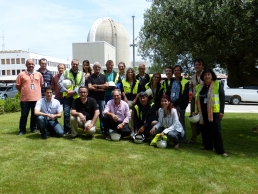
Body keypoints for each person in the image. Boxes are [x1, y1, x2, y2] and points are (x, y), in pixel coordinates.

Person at [194, 69, 228, 156]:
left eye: (209, 74)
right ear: (203, 77)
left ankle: (220, 150)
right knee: (205, 130)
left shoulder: (217, 84)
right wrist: (196, 111)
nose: (207, 76)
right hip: (203, 113)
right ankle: (208, 147)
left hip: (214, 112)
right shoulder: (199, 87)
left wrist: (221, 111)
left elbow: (222, 98)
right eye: (205, 75)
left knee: (216, 131)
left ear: (212, 75)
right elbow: (196, 100)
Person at [16, 59, 44, 135]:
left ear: (34, 65)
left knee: (34, 115)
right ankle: (22, 130)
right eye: (29, 64)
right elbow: (18, 86)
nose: (31, 65)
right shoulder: (21, 74)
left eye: (32, 64)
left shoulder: (39, 74)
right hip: (25, 99)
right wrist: (25, 91)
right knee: (24, 115)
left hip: (36, 98)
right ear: (26, 65)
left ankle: (33, 128)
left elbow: (41, 84)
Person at [58, 59, 85, 135]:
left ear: (78, 65)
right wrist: (66, 91)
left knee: (80, 113)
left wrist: (74, 91)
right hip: (67, 97)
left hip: (77, 97)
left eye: (76, 64)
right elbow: (59, 83)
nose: (75, 65)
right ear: (71, 64)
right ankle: (67, 130)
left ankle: (83, 128)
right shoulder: (65, 73)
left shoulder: (82, 74)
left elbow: (82, 84)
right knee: (66, 113)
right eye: (74, 64)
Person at [166, 65, 189, 142]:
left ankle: (183, 138)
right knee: (173, 121)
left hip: (180, 105)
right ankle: (174, 136)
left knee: (181, 121)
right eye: (175, 70)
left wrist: (176, 103)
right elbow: (168, 92)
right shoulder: (171, 81)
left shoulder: (185, 82)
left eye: (178, 70)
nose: (176, 72)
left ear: (180, 72)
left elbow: (185, 95)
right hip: (171, 104)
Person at [88, 62, 108, 134]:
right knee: (92, 114)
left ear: (100, 68)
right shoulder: (90, 77)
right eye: (96, 67)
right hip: (93, 99)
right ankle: (91, 127)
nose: (97, 68)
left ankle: (103, 129)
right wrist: (100, 89)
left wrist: (97, 86)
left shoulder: (103, 76)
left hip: (102, 98)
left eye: (98, 67)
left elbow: (106, 85)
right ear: (93, 68)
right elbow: (89, 87)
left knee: (102, 114)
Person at [188, 59, 204, 144]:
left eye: (199, 64)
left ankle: (206, 139)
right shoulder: (193, 76)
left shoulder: (206, 75)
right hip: (194, 100)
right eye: (196, 65)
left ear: (202, 66)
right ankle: (193, 138)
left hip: (203, 100)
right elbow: (191, 87)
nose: (197, 66)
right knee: (192, 119)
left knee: (203, 119)